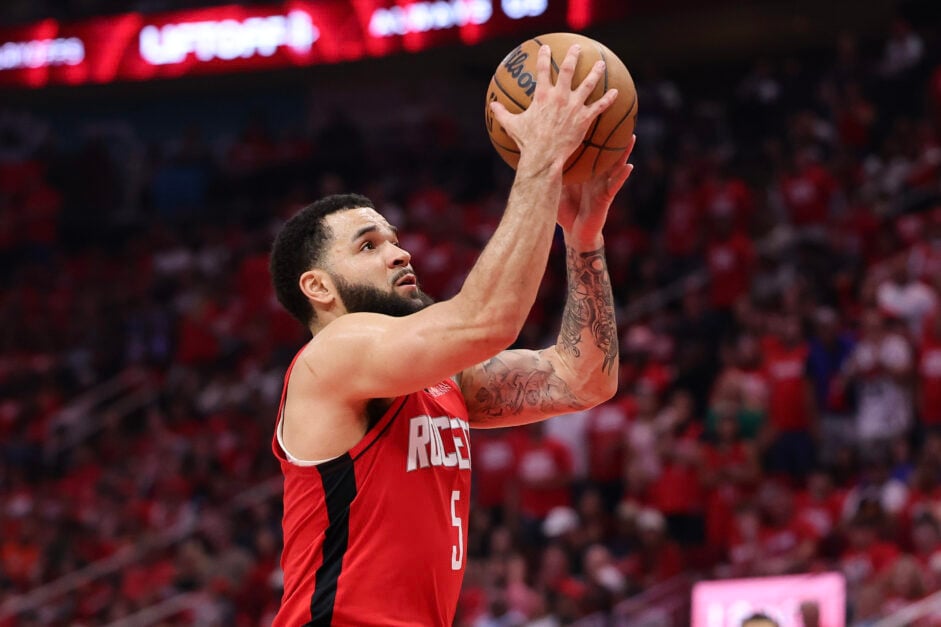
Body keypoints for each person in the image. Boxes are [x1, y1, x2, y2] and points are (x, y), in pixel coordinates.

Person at [267, 44, 634, 626]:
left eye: (392, 237)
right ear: (319, 287)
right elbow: (488, 320)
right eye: (368, 245)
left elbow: (581, 379)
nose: (399, 251)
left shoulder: (438, 380)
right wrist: (539, 156)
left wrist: (583, 238)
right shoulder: (330, 357)